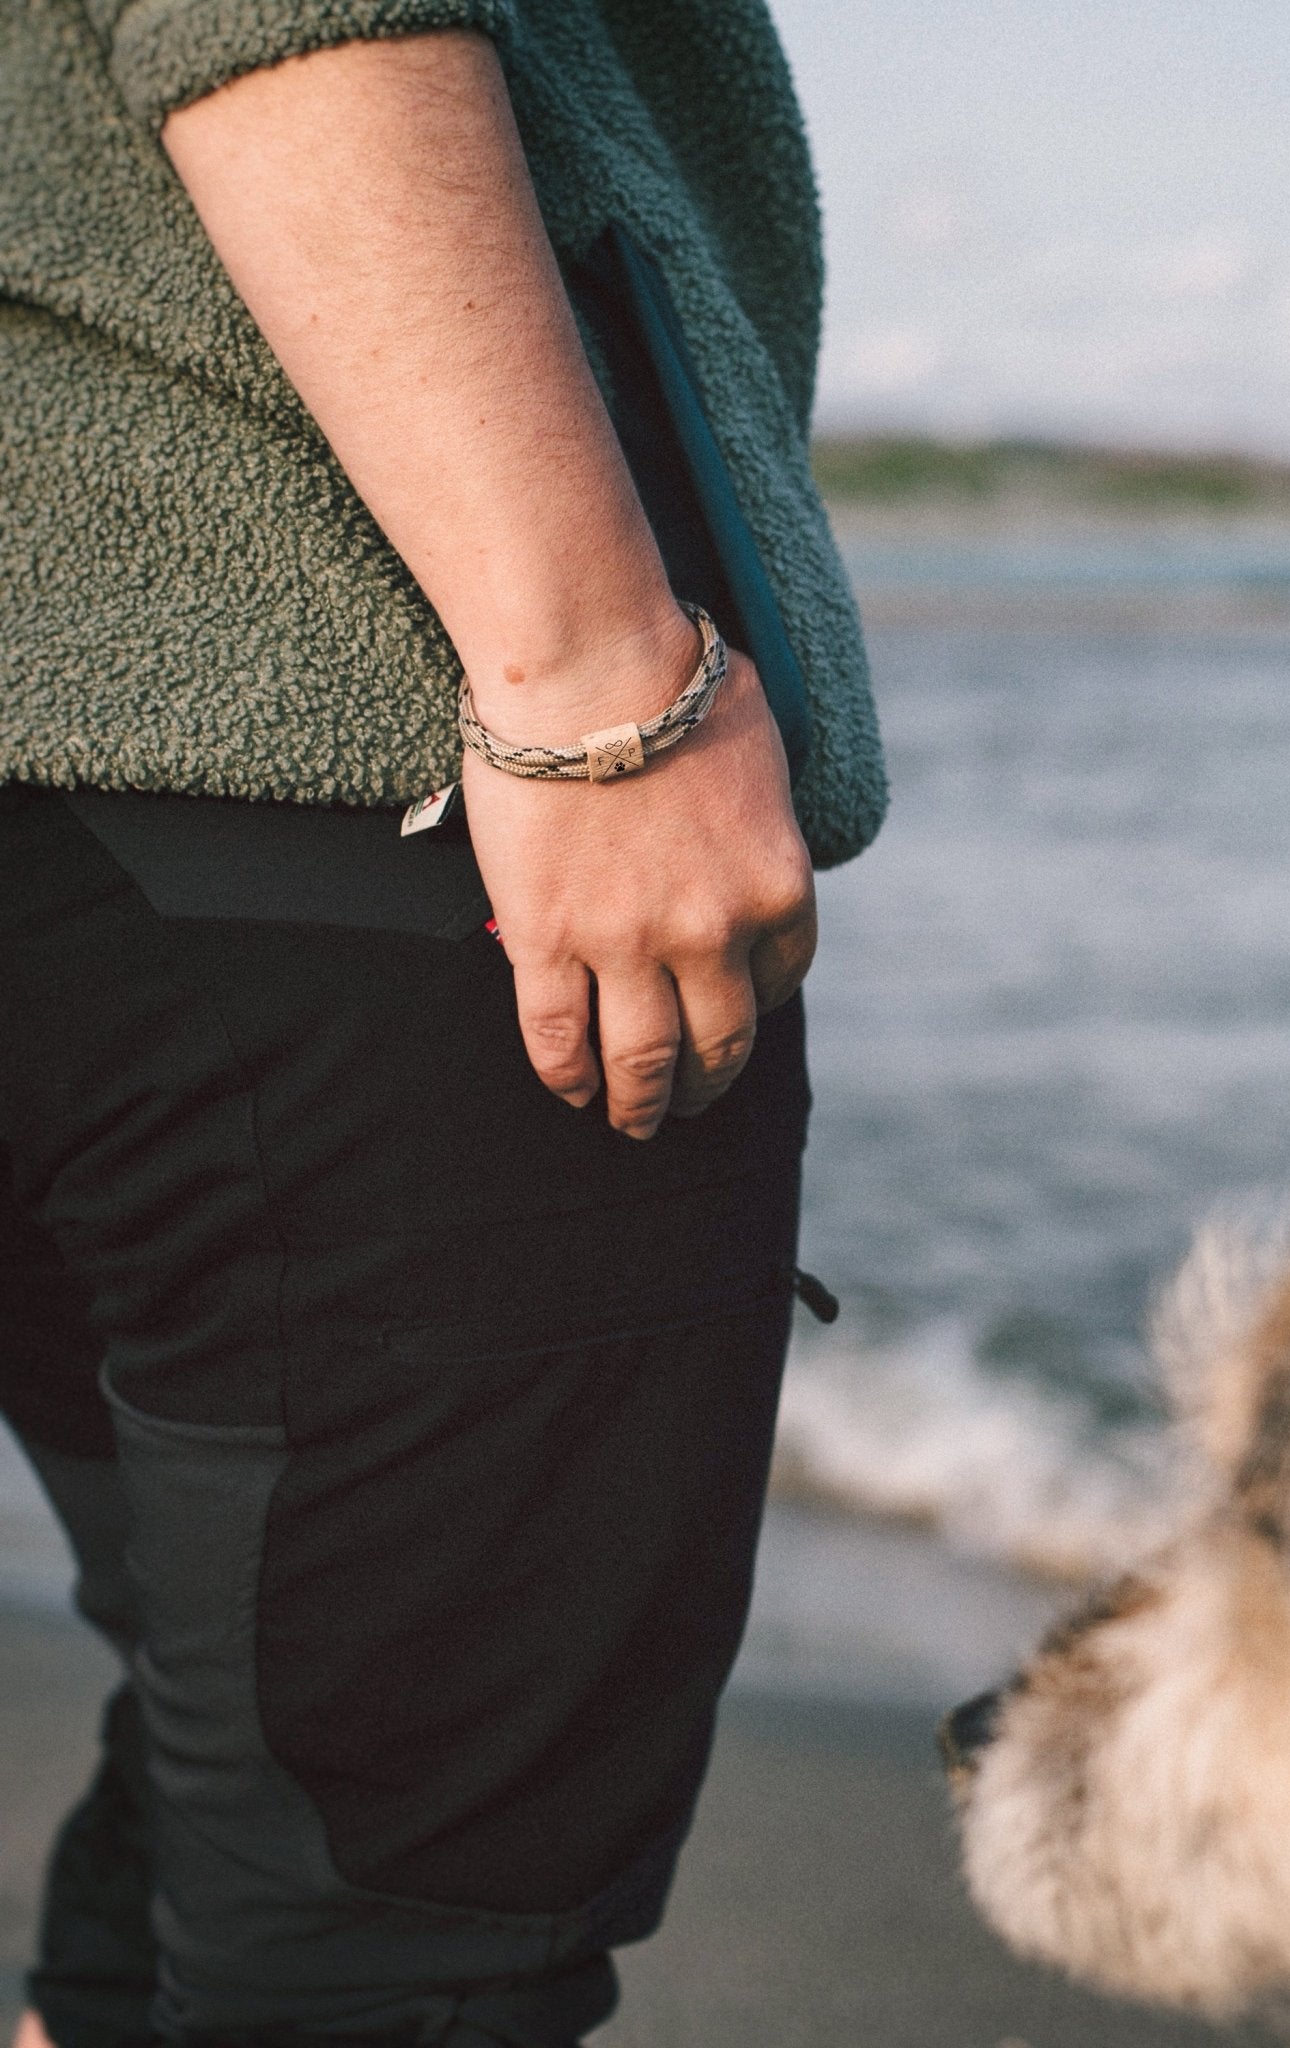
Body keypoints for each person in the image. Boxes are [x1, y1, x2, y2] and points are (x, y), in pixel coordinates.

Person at [0, 0, 886, 2040]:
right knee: (396, 1926)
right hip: (328, 785)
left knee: (231, 1731)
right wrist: (592, 677)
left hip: (127, 839)